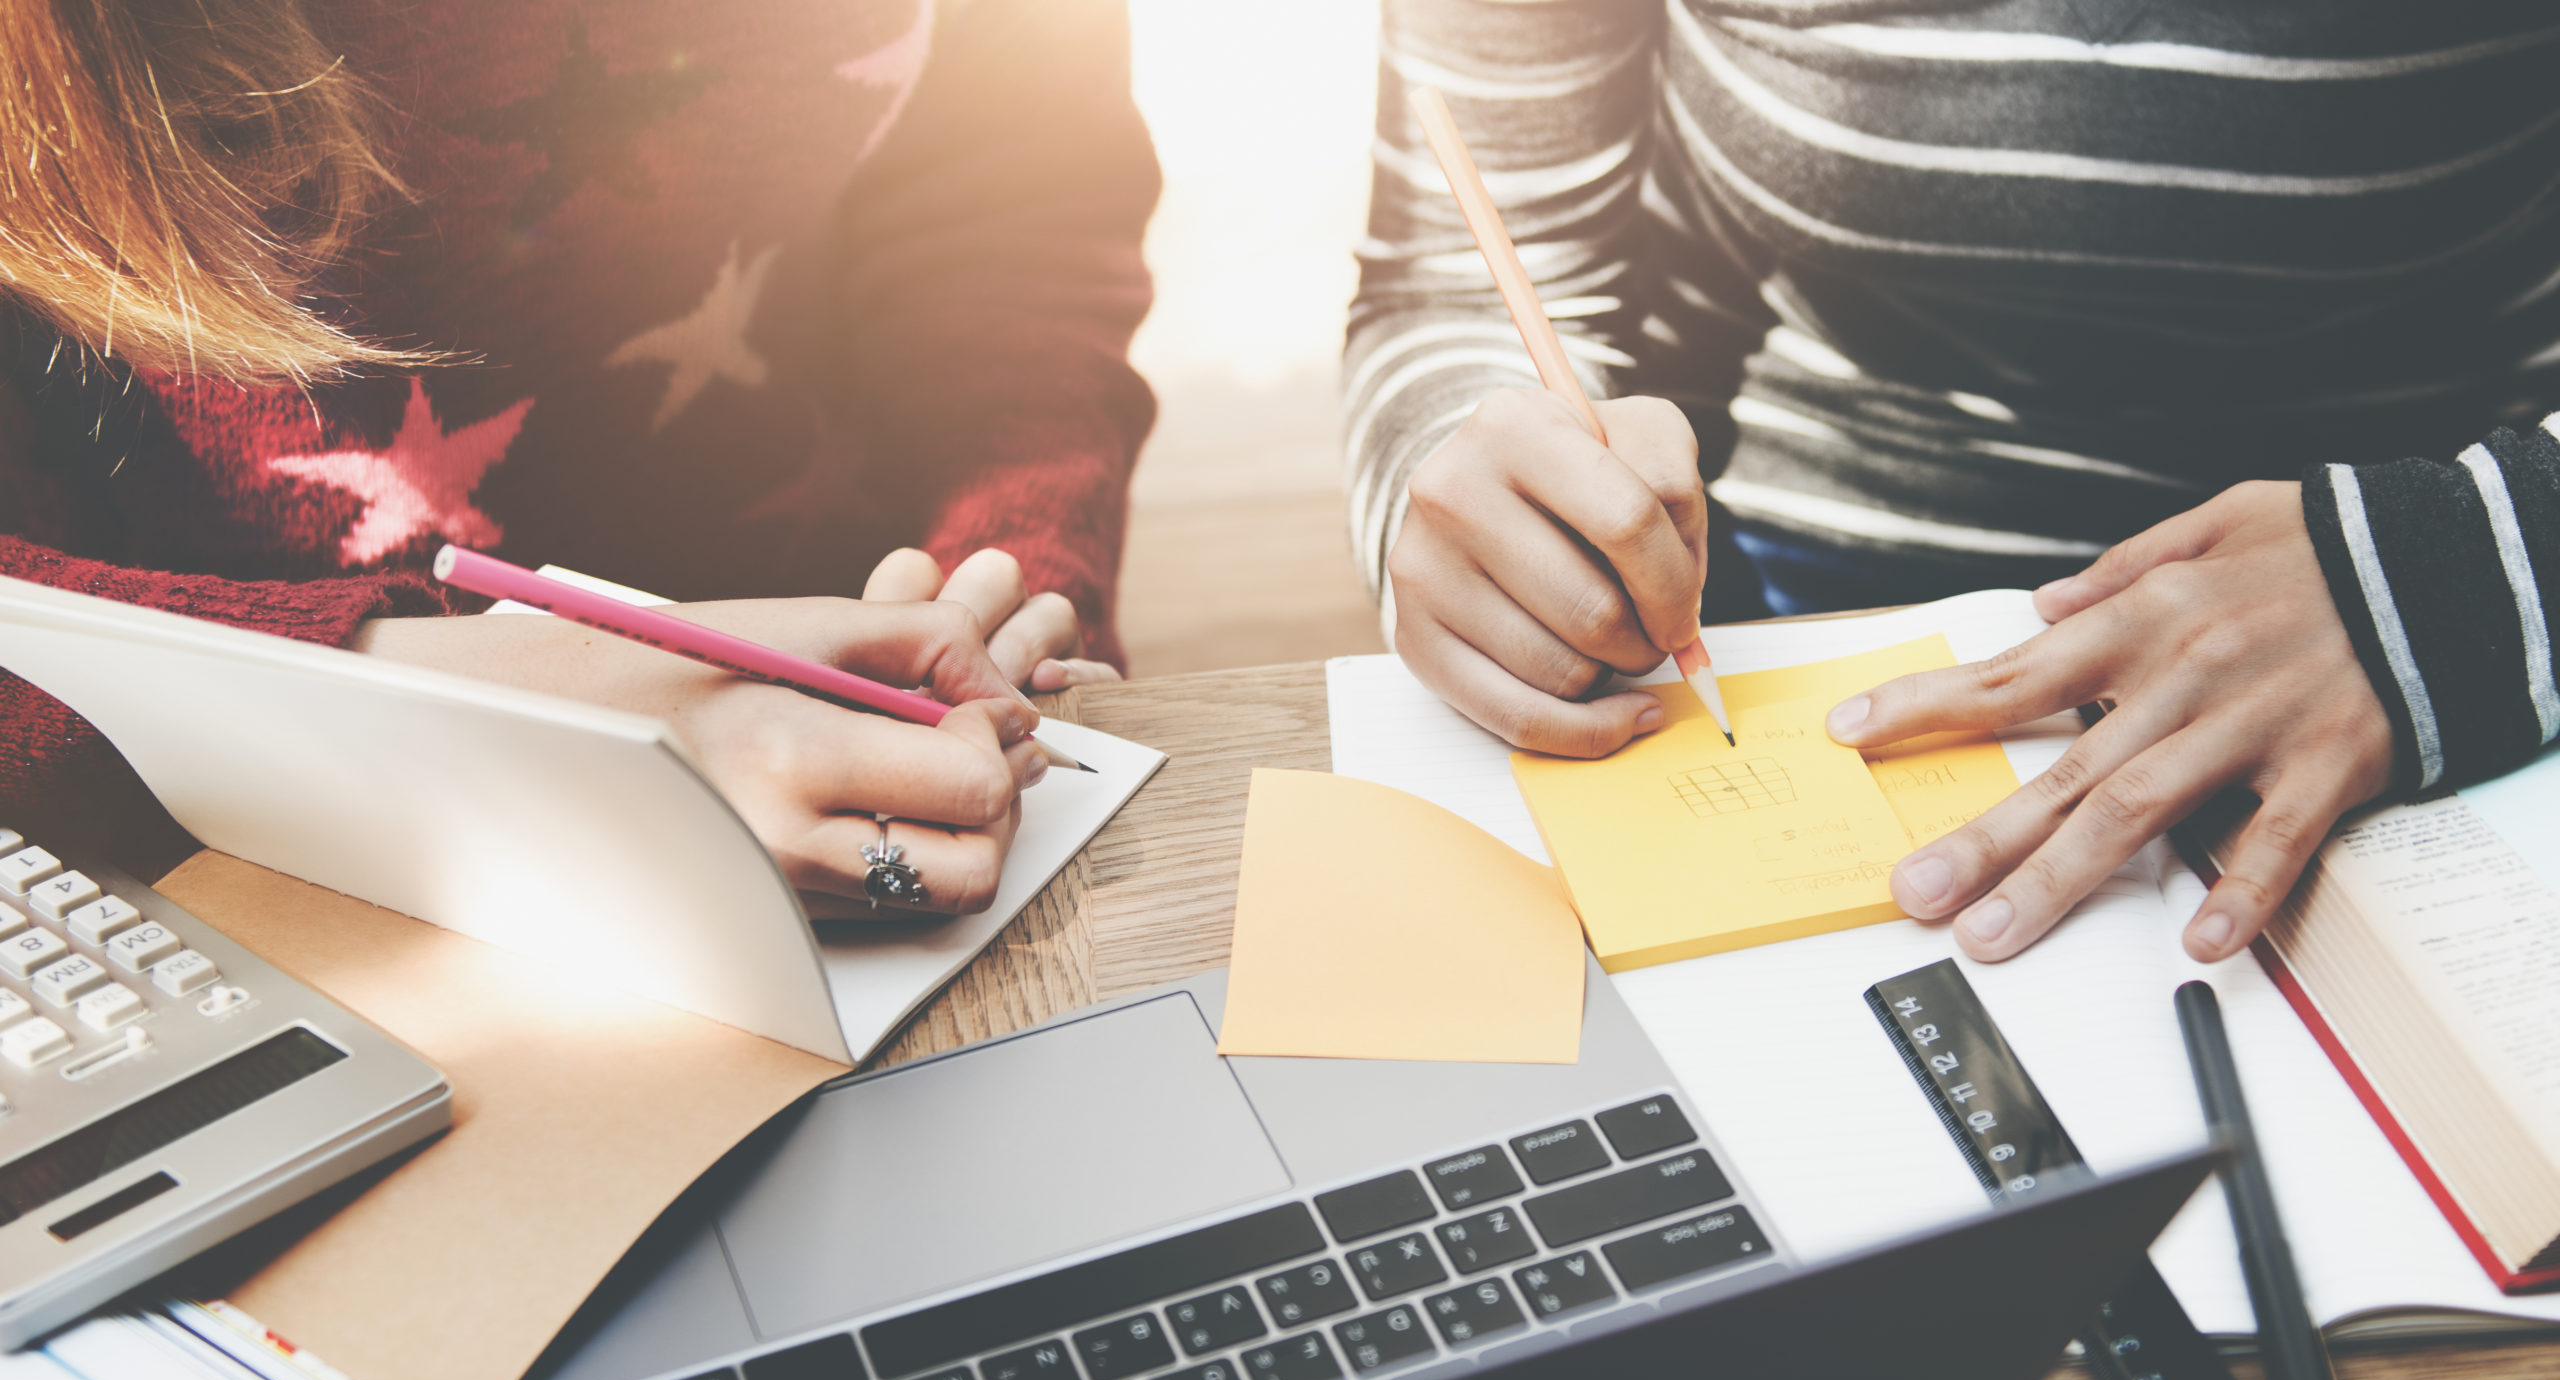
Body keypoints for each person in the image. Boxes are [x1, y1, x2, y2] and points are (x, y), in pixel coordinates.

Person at [1349, 2, 2560, 963]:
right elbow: (1466, 277)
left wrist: (2456, 564)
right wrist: (1479, 494)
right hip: (1779, 600)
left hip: (2415, 610)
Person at [0, 0, 1159, 912]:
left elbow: (1014, 194)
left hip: (884, 724)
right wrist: (487, 724)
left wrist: (1007, 558)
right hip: (224, 859)